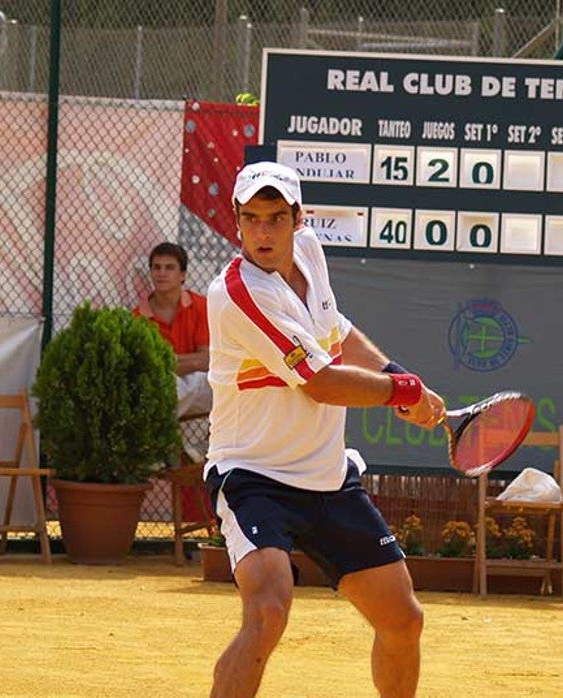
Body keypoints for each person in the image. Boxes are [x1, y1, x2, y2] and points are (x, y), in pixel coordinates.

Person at [202, 161, 446, 698]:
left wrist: (396, 375)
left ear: (297, 219)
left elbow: (338, 332)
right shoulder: (237, 294)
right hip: (254, 476)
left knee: (404, 619)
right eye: (250, 219)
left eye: (274, 218)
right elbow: (319, 381)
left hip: (327, 479)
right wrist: (403, 394)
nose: (262, 233)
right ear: (237, 223)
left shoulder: (310, 252)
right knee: (267, 611)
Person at [132, 241, 213, 420]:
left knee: (217, 381)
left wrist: (171, 362)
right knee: (165, 385)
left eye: (169, 268)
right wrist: (194, 363)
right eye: (156, 267)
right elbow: (150, 368)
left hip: (199, 386)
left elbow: (208, 360)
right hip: (166, 386)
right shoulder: (138, 317)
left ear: (182, 275)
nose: (161, 273)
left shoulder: (201, 306)